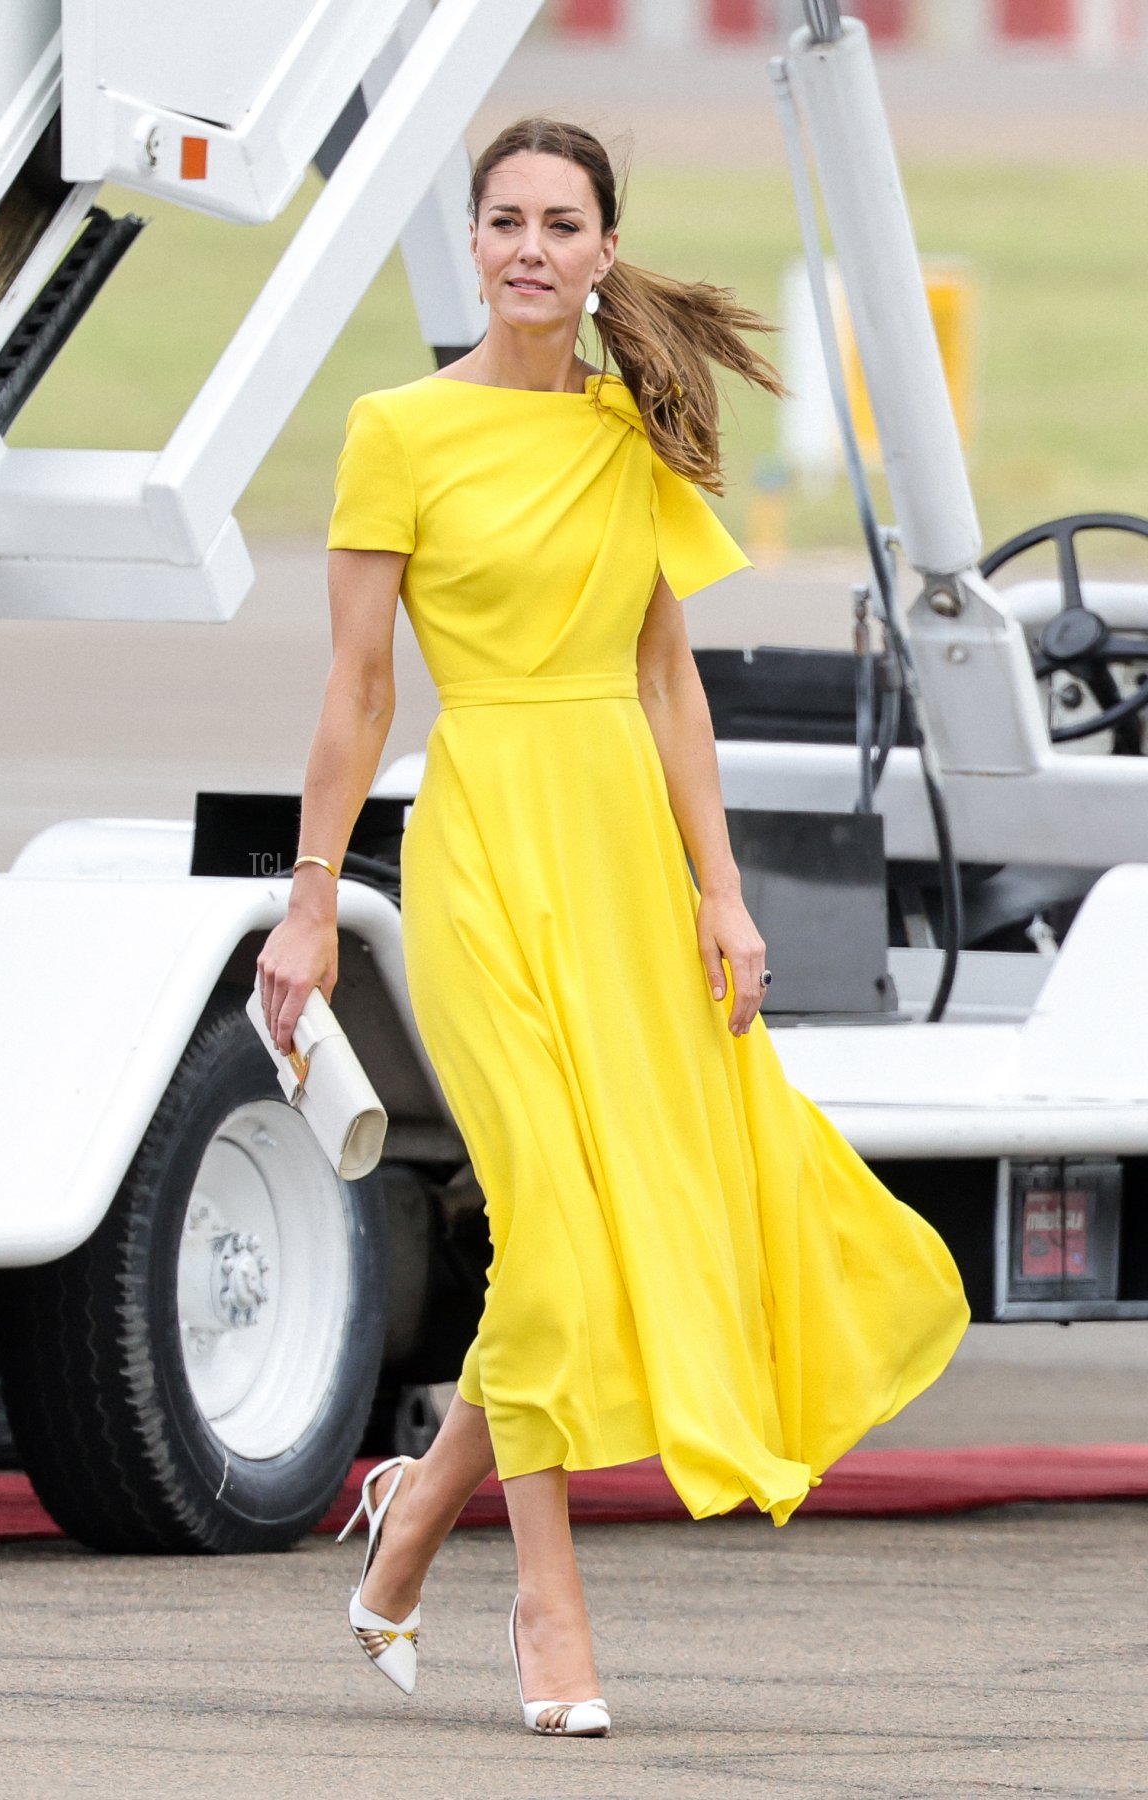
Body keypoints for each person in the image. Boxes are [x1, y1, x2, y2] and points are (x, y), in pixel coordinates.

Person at [256, 115, 970, 1738]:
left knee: (623, 1219)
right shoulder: (396, 432)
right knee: (554, 1242)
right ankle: (547, 1603)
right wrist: (309, 902)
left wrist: (722, 888)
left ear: (602, 249)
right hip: (483, 848)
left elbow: (666, 681)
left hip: (625, 856)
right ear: (474, 242)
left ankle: (415, 1514)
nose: (529, 247)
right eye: (503, 219)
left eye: (559, 223)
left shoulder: (630, 426)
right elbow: (358, 691)